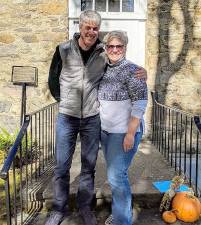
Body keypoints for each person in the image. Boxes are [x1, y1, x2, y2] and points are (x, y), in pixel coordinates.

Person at [45, 10, 147, 225]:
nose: (91, 32)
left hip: (92, 119)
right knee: (61, 166)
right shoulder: (63, 49)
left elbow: (124, 68)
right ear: (80, 27)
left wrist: (142, 71)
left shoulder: (103, 51)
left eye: (95, 28)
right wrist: (63, 101)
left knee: (88, 167)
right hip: (68, 117)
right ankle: (58, 209)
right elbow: (53, 79)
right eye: (87, 27)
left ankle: (85, 207)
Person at [98, 31, 148, 225]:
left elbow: (140, 104)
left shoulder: (134, 71)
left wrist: (130, 133)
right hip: (106, 132)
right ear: (106, 48)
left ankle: (122, 220)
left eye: (119, 46)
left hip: (124, 133)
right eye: (111, 46)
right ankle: (121, 212)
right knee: (116, 174)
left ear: (125, 48)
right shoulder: (103, 68)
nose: (115, 50)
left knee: (116, 176)